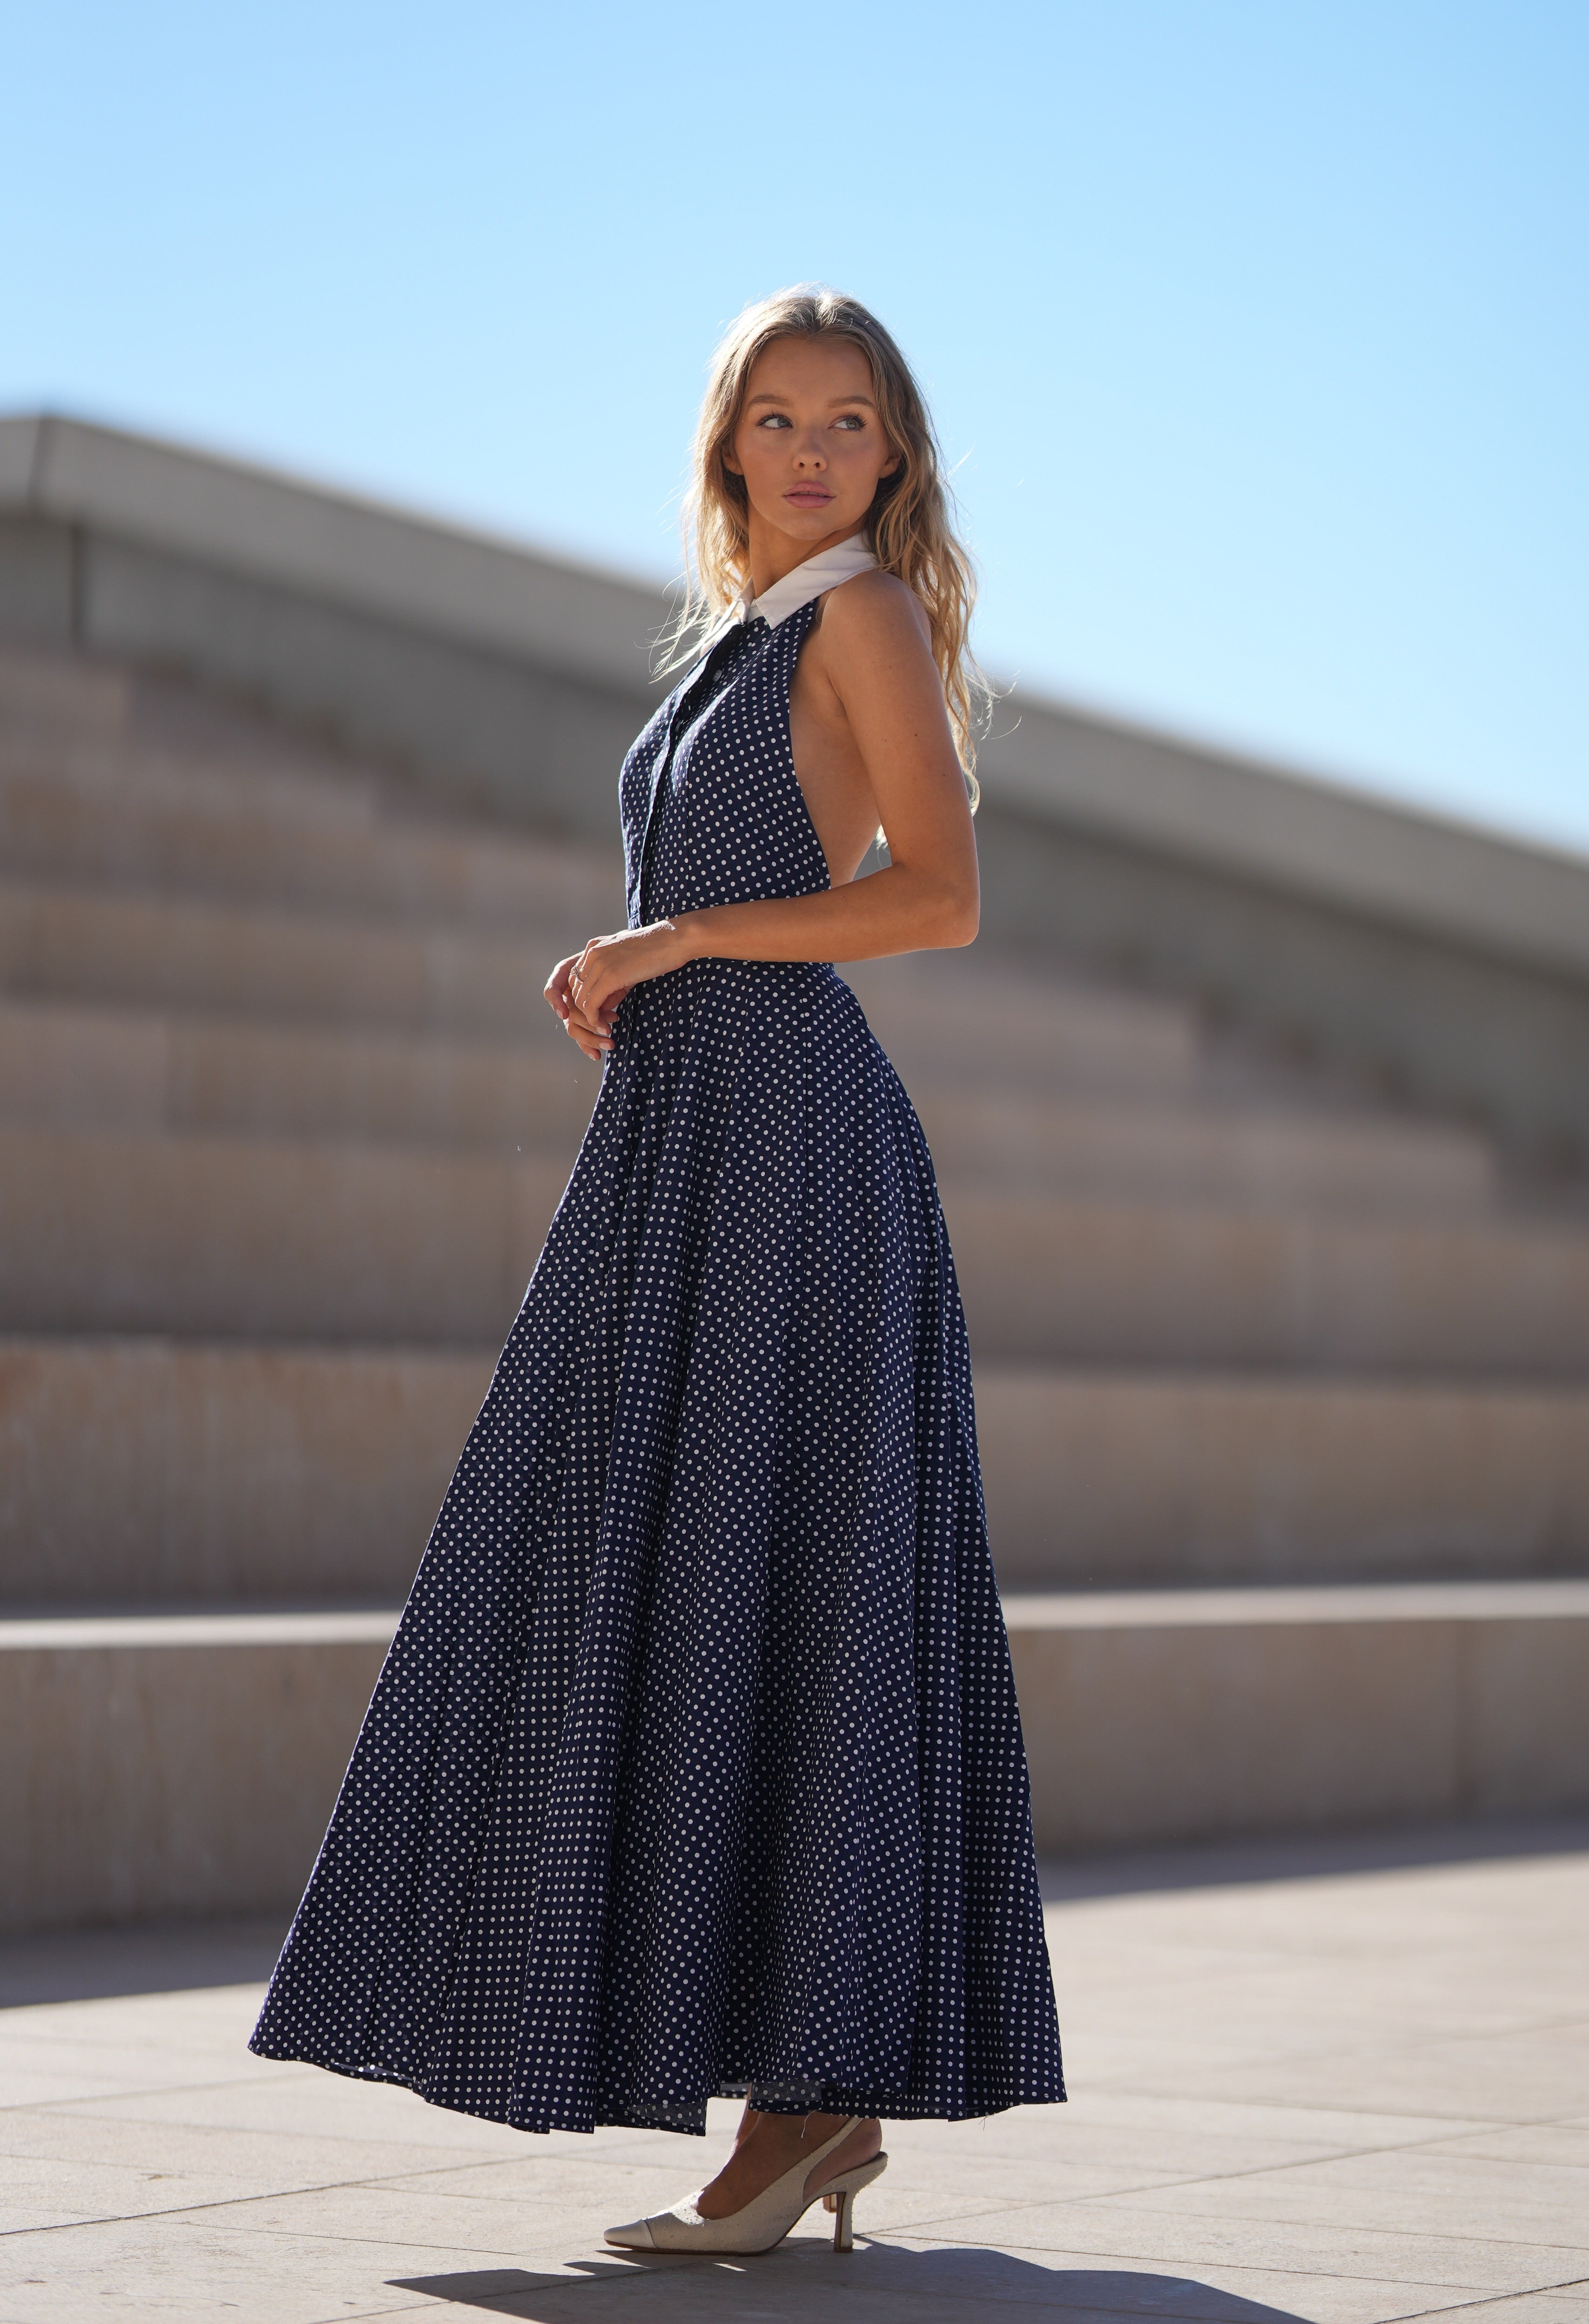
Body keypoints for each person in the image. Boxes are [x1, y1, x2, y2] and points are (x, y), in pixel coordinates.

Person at [249, 284, 1065, 2256]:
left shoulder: (860, 615)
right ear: (726, 449)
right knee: (657, 1581)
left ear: (892, 454)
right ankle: (802, 2095)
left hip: (786, 1153)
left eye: (845, 421)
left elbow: (939, 895)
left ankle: (806, 2095)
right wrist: (641, 955)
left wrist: (673, 942)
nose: (806, 451)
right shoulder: (745, 636)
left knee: (762, 1586)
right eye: (772, 418)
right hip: (692, 1151)